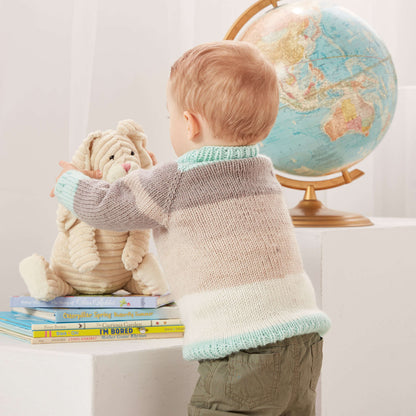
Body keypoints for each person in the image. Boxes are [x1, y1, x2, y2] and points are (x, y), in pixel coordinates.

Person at [52, 40, 331, 416]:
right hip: (303, 345)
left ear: (190, 123)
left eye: (169, 116)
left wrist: (70, 182)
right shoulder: (261, 172)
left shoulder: (175, 182)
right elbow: (191, 193)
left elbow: (109, 206)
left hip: (243, 353)